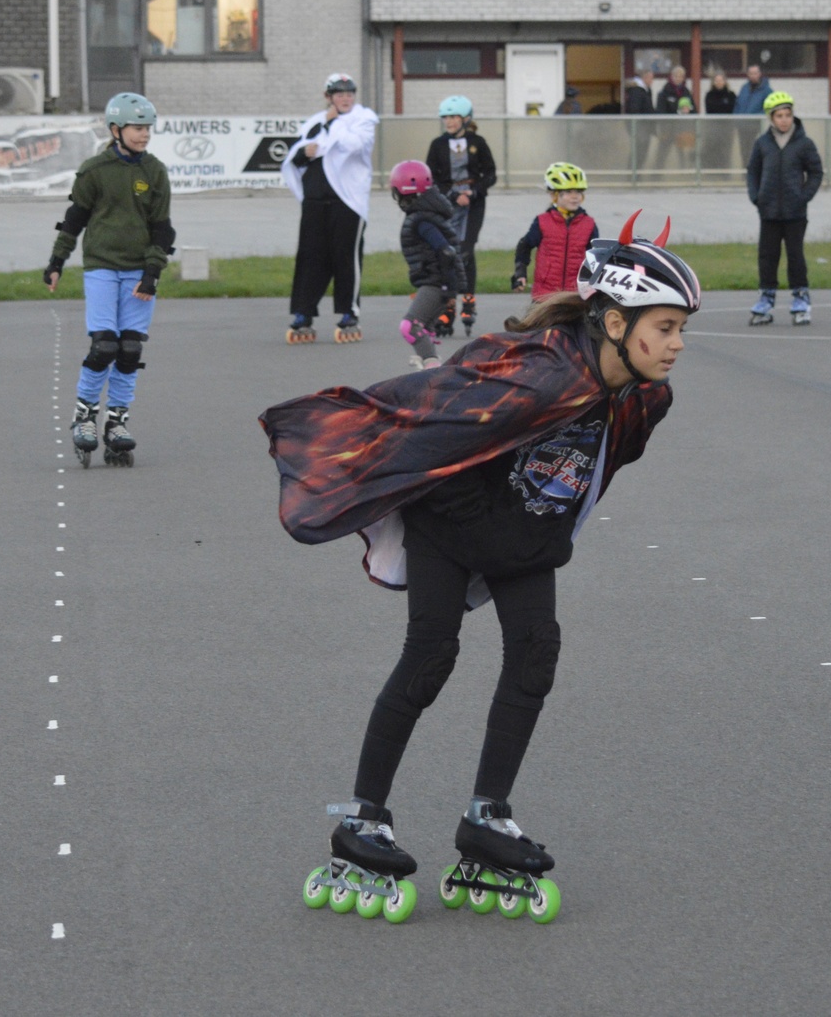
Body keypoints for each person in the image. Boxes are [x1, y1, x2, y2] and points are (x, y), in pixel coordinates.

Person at [262, 213, 701, 924]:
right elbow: (433, 433)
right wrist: (498, 534)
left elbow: (594, 468)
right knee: (430, 657)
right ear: (616, 323)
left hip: (523, 532)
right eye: (667, 327)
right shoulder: (541, 375)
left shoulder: (644, 396)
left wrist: (536, 535)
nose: (677, 344)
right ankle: (361, 820)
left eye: (681, 328)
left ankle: (486, 818)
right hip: (449, 519)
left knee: (536, 656)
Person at [43, 92, 173, 469]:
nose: (144, 134)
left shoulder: (155, 171)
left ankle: (116, 422)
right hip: (101, 266)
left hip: (139, 271)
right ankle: (85, 414)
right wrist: (56, 261)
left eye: (148, 128)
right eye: (137, 128)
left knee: (130, 349)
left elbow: (162, 229)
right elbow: (74, 219)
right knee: (104, 346)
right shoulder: (94, 170)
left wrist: (152, 272)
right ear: (116, 129)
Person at [280, 72, 378, 345]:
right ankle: (303, 313)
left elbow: (353, 146)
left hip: (347, 201)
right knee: (310, 257)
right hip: (315, 200)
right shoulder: (315, 122)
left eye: (349, 94)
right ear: (329, 97)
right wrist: (304, 153)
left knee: (345, 257)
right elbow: (295, 157)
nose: (345, 99)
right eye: (339, 94)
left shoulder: (363, 119)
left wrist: (334, 123)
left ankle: (349, 313)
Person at [746, 91, 824, 326]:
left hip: (795, 212)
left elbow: (816, 172)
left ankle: (800, 297)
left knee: (795, 255)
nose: (784, 120)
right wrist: (756, 197)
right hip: (769, 211)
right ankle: (766, 297)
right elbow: (753, 171)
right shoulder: (762, 143)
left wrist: (804, 196)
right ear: (771, 118)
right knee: (767, 256)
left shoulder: (804, 143)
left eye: (787, 115)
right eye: (779, 116)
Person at [426, 95, 496, 337]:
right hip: (447, 203)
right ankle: (448, 305)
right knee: (446, 252)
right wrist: (453, 195)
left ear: (465, 119)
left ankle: (468, 299)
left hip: (473, 204)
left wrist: (473, 192)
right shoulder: (437, 145)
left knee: (465, 250)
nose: (449, 122)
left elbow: (490, 174)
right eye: (446, 117)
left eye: (454, 117)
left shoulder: (477, 142)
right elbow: (431, 177)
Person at [388, 159, 466, 371]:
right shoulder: (425, 215)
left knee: (410, 326)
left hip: (437, 282)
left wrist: (448, 288)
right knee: (424, 329)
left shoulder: (422, 220)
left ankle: (433, 370)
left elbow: (446, 251)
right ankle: (431, 366)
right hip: (437, 280)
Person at [512, 162, 599, 301]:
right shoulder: (543, 221)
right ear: (554, 195)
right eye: (569, 192)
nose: (575, 196)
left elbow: (595, 257)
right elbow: (525, 246)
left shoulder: (589, 224)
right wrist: (520, 274)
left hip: (575, 295)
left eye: (578, 192)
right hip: (545, 295)